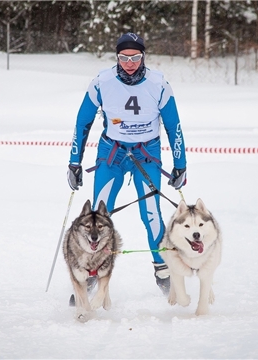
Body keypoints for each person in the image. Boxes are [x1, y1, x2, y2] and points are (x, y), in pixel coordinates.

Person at [66, 32, 187, 295]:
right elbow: (82, 123)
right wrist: (74, 163)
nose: (129, 63)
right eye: (124, 57)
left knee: (151, 213)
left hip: (147, 154)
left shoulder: (159, 84)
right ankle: (90, 275)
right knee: (97, 216)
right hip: (113, 154)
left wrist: (181, 164)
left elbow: (173, 126)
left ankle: (163, 270)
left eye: (135, 57)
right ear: (117, 57)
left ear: (144, 57)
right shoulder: (102, 82)